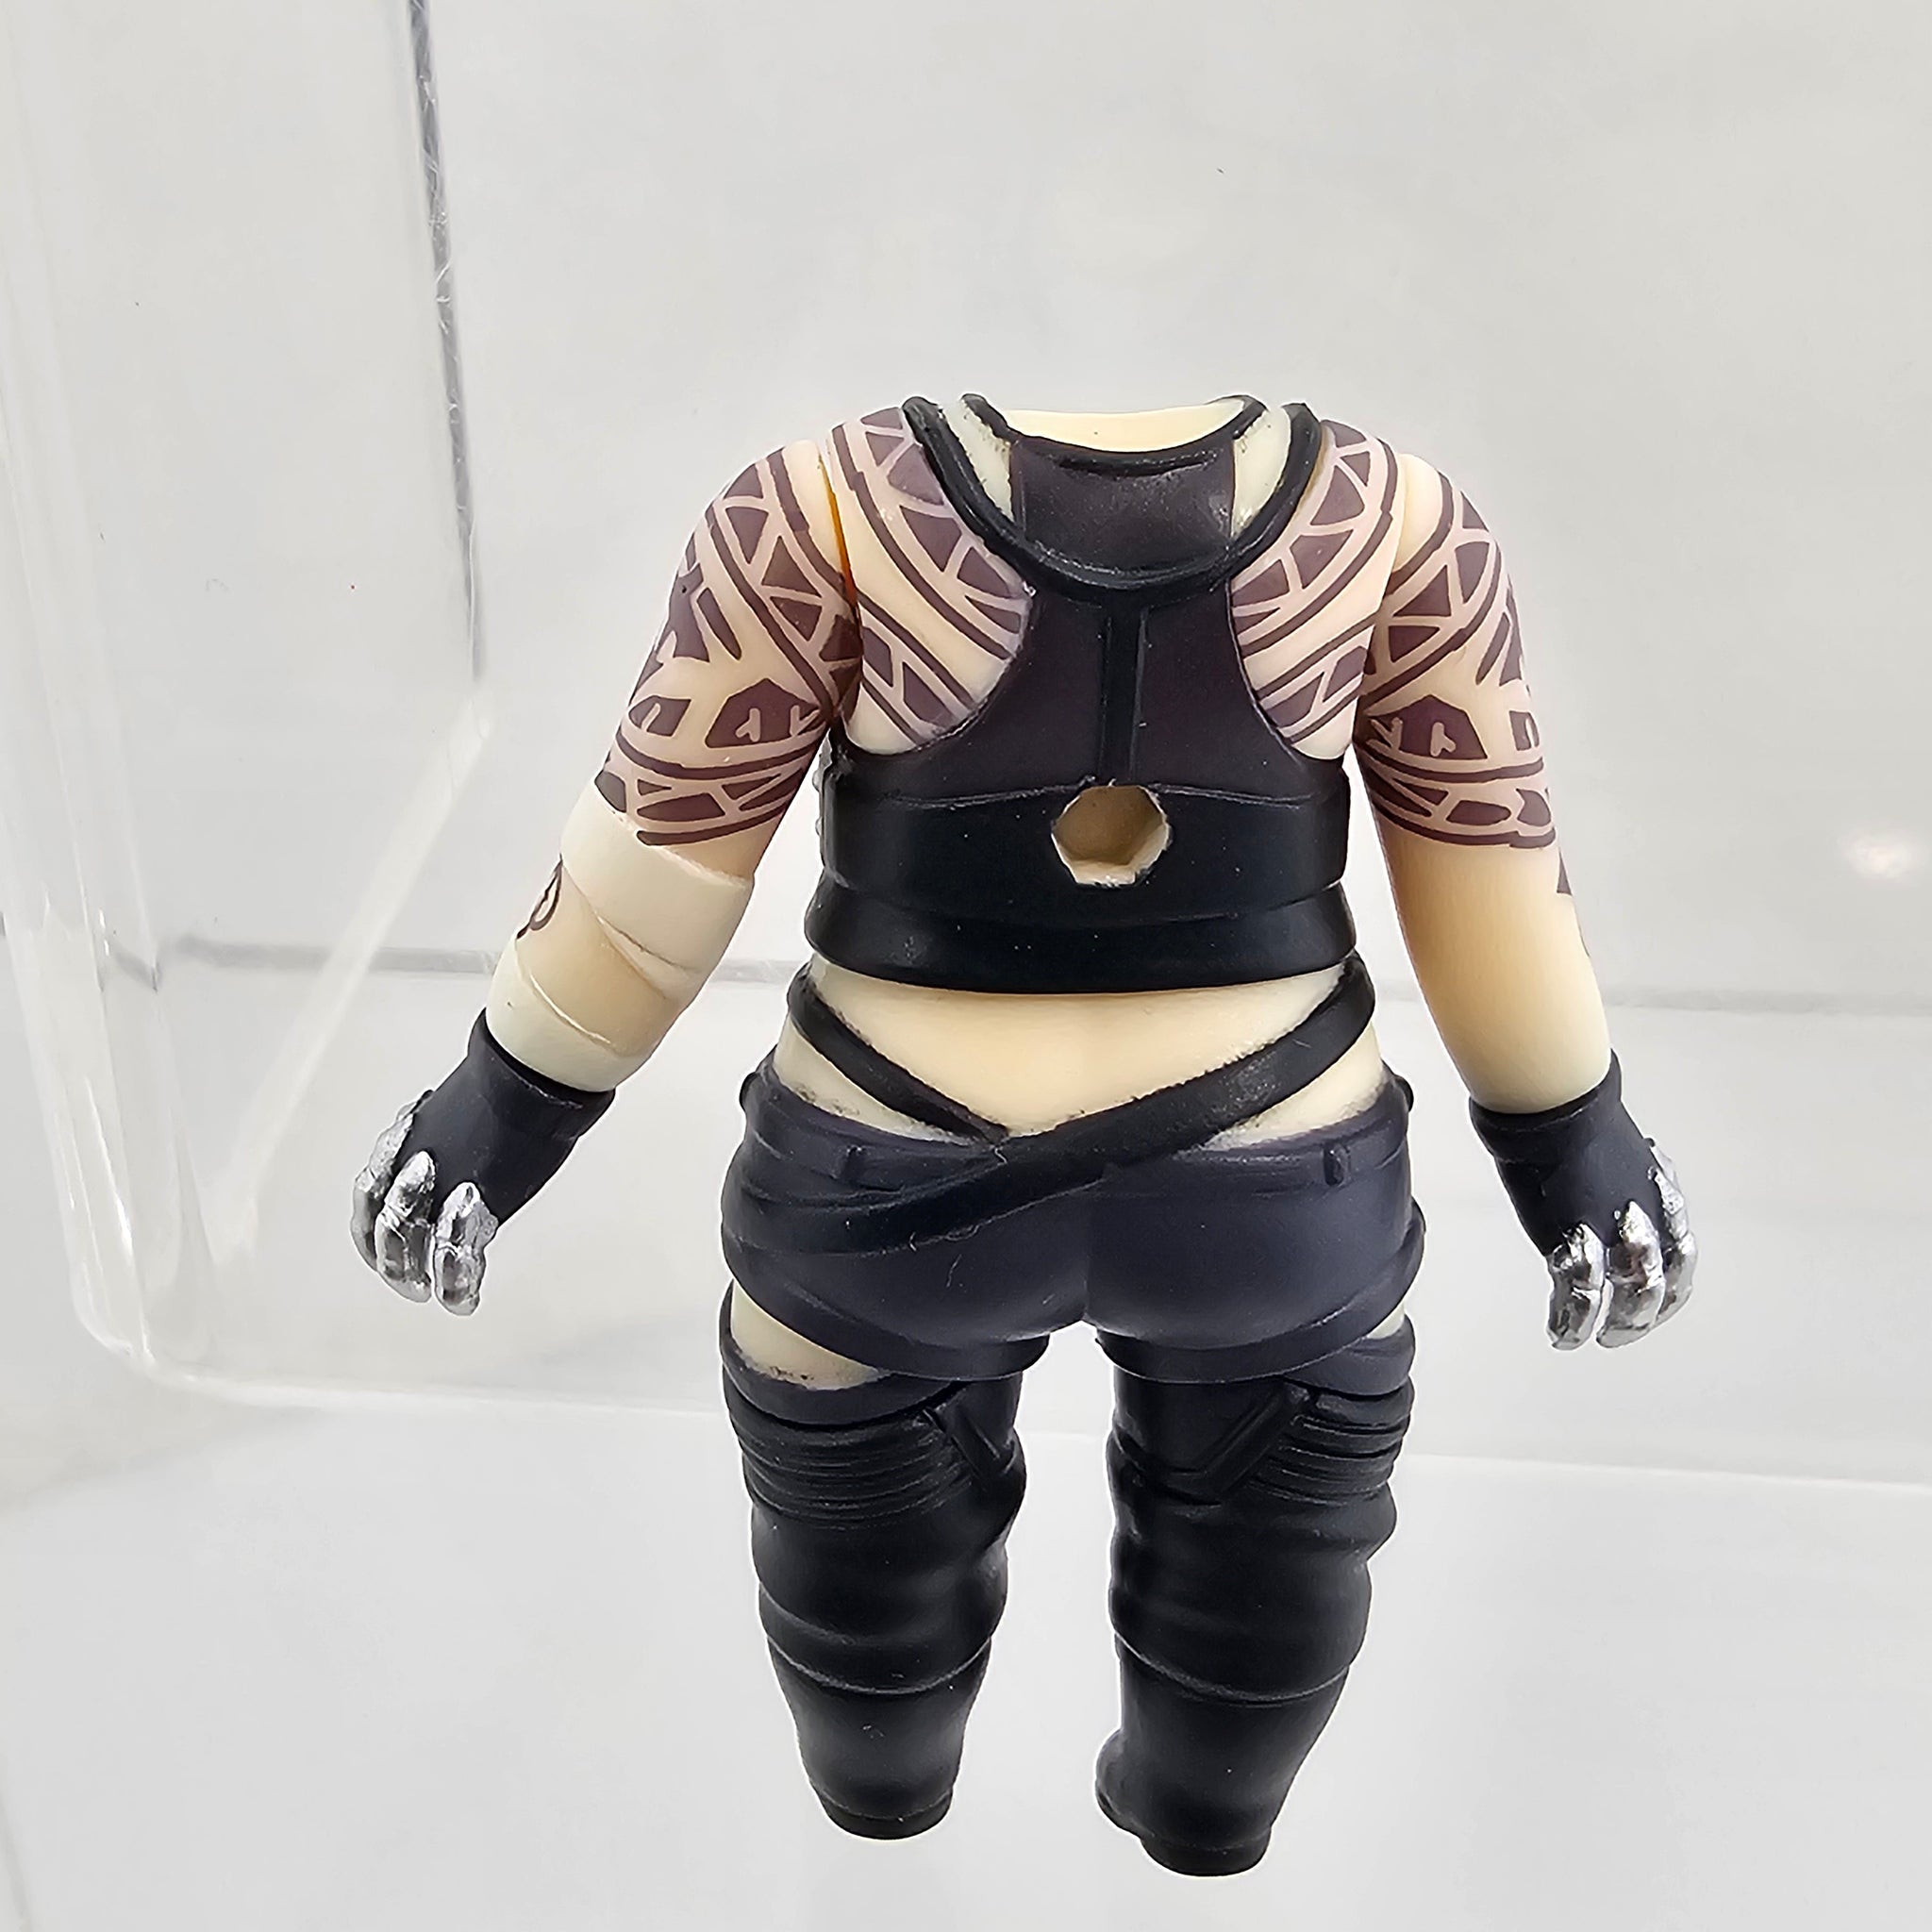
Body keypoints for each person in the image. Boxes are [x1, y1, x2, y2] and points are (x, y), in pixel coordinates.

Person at [351, 393, 1695, 1876]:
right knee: (1270, 1574)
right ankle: (1207, 1810)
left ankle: (879, 1797)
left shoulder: (818, 509)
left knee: (857, 1584)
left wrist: (497, 1115)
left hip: (883, 1169)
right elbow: (1495, 890)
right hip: (1275, 1176)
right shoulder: (1399, 524)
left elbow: (645, 887)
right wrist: (1577, 1147)